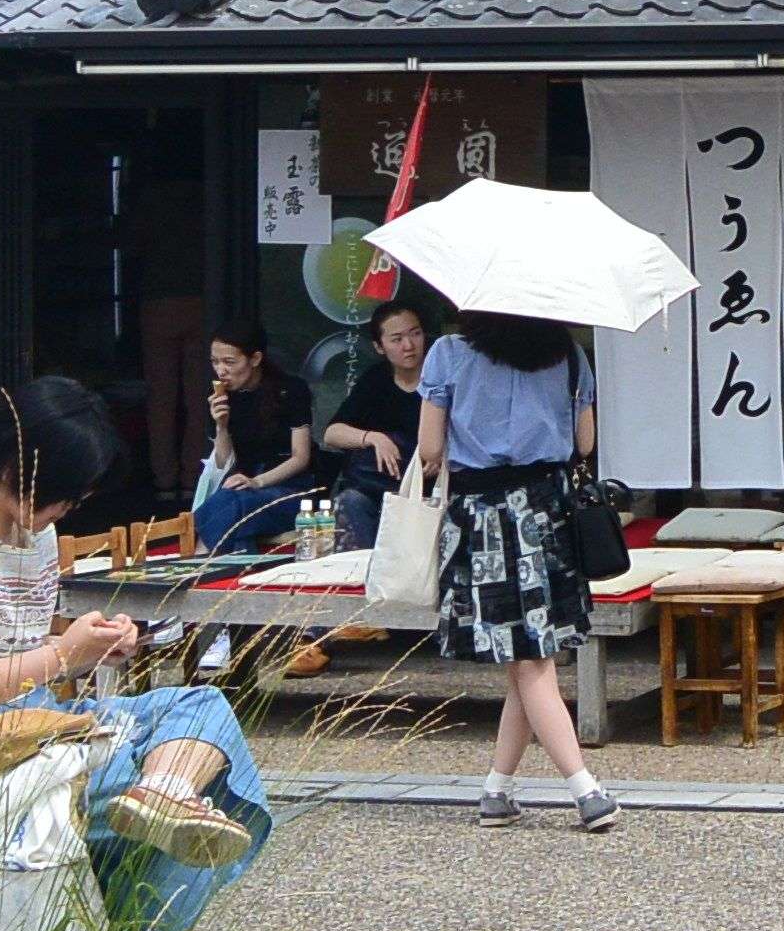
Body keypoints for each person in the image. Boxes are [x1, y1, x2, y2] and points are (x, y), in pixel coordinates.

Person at [0, 375, 272, 931]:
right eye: (66, 496)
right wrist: (63, 655)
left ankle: (164, 796)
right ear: (20, 468)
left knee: (203, 705)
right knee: (170, 797)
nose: (69, 511)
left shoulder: (33, 531)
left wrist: (93, 645)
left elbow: (21, 647)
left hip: (34, 723)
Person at [412, 308, 619, 830]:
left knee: (527, 664)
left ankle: (499, 791)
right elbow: (585, 443)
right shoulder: (568, 355)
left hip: (482, 517)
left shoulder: (448, 354)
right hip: (547, 514)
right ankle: (584, 789)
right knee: (532, 660)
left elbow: (430, 450)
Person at [316, 296, 441, 555]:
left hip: (432, 486)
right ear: (379, 346)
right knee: (351, 501)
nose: (409, 345)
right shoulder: (376, 380)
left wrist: (442, 455)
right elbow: (332, 433)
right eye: (397, 339)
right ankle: (359, 579)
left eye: (415, 334)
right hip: (381, 487)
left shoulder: (442, 376)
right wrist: (374, 438)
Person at [190, 327, 318, 550]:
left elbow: (300, 458)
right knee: (235, 511)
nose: (221, 371)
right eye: (215, 362)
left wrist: (257, 482)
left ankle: (198, 561)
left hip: (288, 489)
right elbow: (222, 465)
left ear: (255, 358)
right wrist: (221, 426)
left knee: (233, 505)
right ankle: (234, 568)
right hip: (239, 489)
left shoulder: (291, 390)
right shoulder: (220, 398)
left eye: (229, 362)